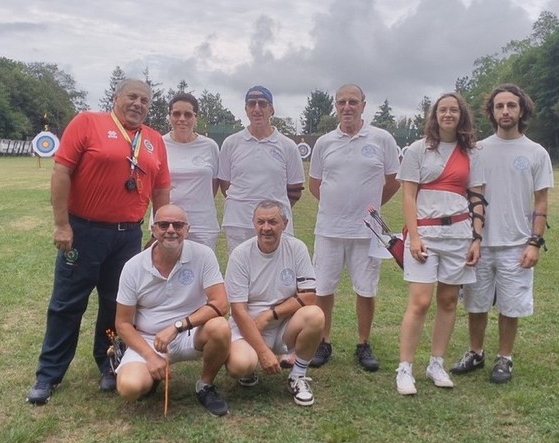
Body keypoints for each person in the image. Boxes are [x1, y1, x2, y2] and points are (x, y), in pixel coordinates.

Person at [26, 79, 170, 405]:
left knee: (117, 305)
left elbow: (161, 190)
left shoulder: (154, 140)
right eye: (132, 97)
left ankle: (108, 363)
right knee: (67, 303)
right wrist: (62, 225)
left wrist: (159, 230)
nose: (138, 104)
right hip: (84, 232)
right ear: (116, 97)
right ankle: (48, 375)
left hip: (128, 236)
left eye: (145, 100)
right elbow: (61, 172)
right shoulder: (88, 122)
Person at [451, 83, 553, 384]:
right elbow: (474, 196)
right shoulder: (478, 150)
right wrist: (474, 238)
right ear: (492, 112)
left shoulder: (536, 153)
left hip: (517, 244)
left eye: (511, 105)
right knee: (476, 302)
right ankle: (476, 352)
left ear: (522, 110)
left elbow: (541, 201)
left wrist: (534, 242)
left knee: (511, 305)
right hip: (481, 243)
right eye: (499, 106)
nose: (505, 111)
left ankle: (504, 358)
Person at [395, 93, 484, 395]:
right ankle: (405, 368)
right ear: (434, 116)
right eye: (442, 110)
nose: (448, 114)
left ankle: (436, 363)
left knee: (447, 301)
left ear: (462, 115)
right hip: (426, 235)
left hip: (459, 235)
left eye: (453, 110)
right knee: (420, 302)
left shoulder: (471, 152)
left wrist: (476, 238)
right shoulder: (418, 149)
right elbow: (408, 195)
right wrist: (415, 236)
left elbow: (477, 198)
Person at [308, 84, 400, 372]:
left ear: (363, 104)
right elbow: (315, 185)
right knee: (323, 289)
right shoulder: (324, 142)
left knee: (366, 289)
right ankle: (323, 341)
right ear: (335, 106)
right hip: (329, 229)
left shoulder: (382, 139)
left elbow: (393, 180)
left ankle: (363, 343)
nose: (347, 107)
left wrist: (369, 210)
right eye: (341, 102)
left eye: (353, 101)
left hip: (366, 232)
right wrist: (339, 207)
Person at [115, 205, 231, 417]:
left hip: (190, 334)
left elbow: (221, 304)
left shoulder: (203, 255)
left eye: (178, 225)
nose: (171, 230)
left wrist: (178, 326)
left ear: (187, 229)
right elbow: (122, 323)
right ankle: (147, 372)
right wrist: (151, 356)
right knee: (129, 388)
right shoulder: (133, 266)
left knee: (220, 327)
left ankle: (205, 385)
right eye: (163, 225)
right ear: (153, 229)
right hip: (149, 339)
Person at [224, 200, 324, 406]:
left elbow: (309, 297)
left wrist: (270, 315)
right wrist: (262, 352)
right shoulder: (240, 255)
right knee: (239, 366)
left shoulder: (296, 248)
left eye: (273, 221)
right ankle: (249, 367)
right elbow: (238, 311)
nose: (266, 228)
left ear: (284, 224)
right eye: (260, 222)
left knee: (315, 315)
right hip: (247, 327)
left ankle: (297, 376)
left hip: (283, 326)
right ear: (253, 224)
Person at [218, 86, 305, 254]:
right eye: (252, 104)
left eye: (262, 104)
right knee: (240, 275)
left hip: (275, 223)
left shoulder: (288, 146)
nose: (257, 109)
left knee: (276, 273)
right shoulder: (231, 143)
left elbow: (295, 190)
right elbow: (225, 184)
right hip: (239, 222)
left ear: (271, 109)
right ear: (246, 109)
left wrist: (273, 212)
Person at [160, 93, 221, 250]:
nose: (182, 119)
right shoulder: (159, 143)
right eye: (176, 114)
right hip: (168, 223)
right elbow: (155, 186)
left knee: (201, 271)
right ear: (169, 116)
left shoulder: (210, 146)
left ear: (196, 117)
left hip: (203, 224)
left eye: (188, 114)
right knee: (168, 271)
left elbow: (213, 184)